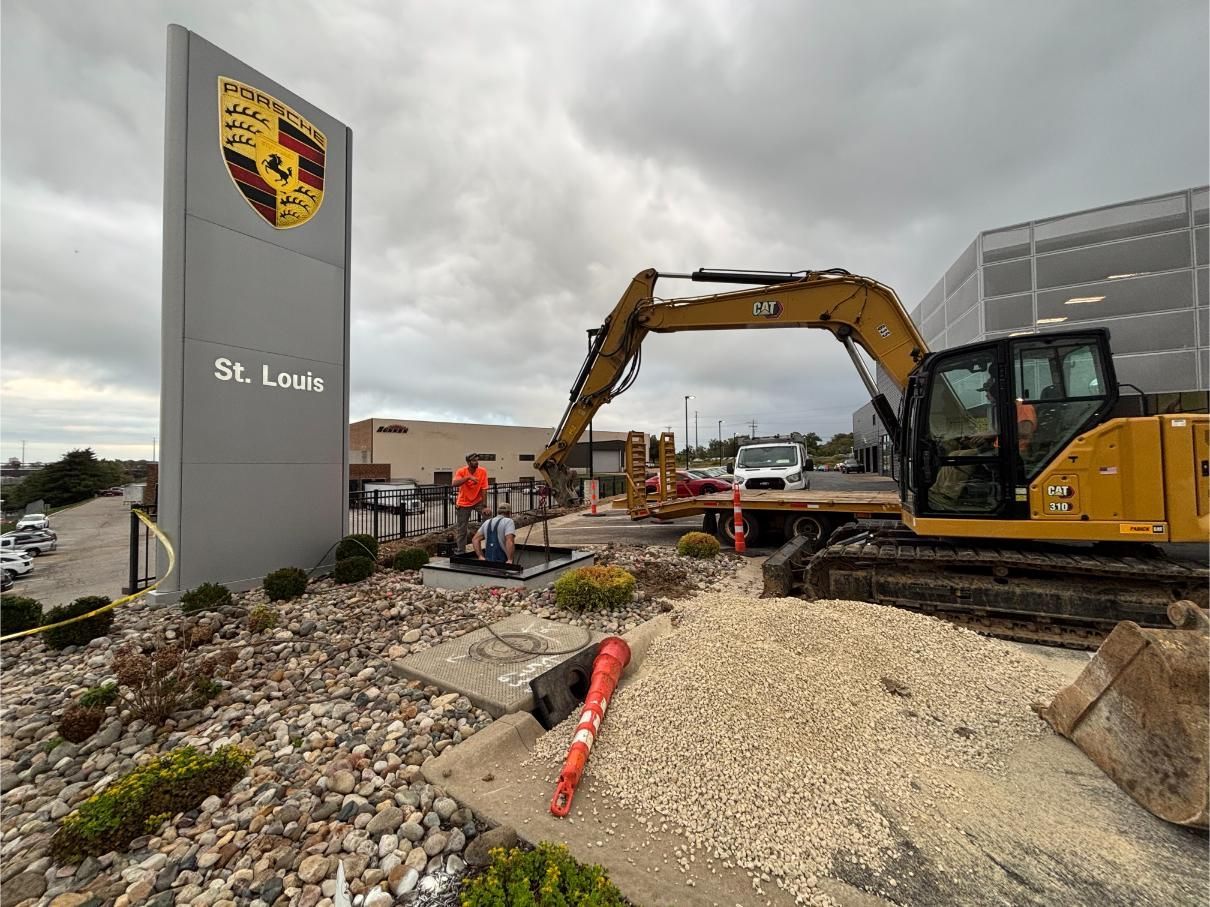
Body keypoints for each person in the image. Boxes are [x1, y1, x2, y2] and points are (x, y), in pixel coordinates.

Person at [453, 453, 488, 553]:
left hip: (477, 501)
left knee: (489, 516)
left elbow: (484, 488)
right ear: (468, 462)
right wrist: (468, 478)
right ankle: (461, 550)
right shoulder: (461, 471)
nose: (476, 462)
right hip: (463, 503)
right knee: (462, 528)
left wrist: (485, 506)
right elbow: (454, 483)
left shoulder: (482, 471)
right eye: (473, 460)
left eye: (477, 460)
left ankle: (482, 537)